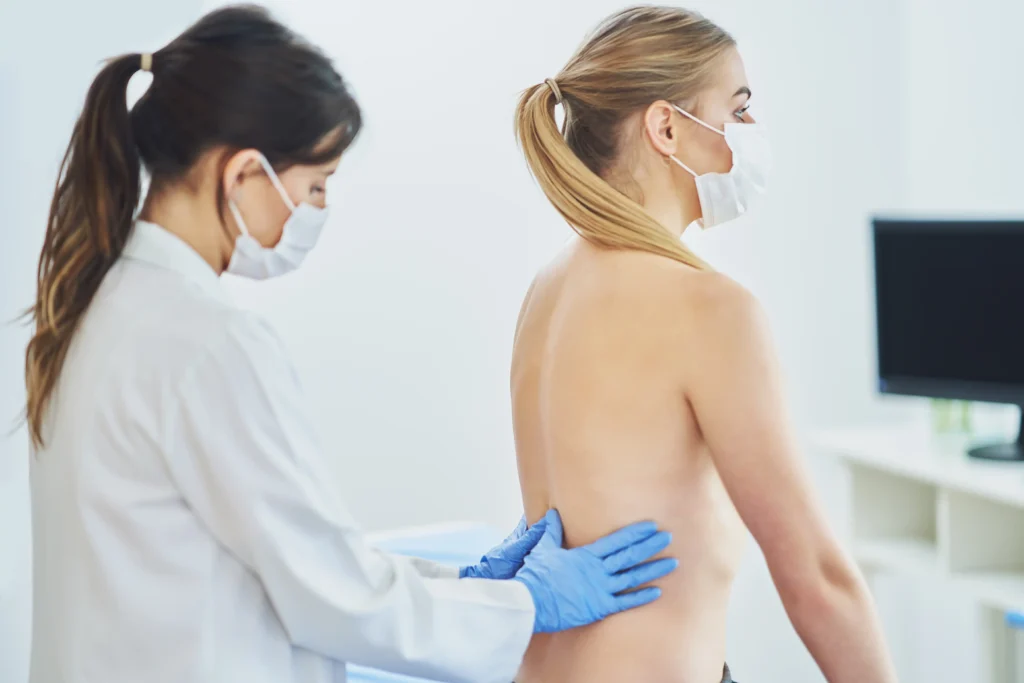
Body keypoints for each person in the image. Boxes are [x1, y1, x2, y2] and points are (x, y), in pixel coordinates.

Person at [22, 6, 681, 683]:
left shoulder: (98, 310)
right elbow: (332, 598)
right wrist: (521, 603)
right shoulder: (205, 343)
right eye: (315, 186)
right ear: (242, 173)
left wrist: (469, 583)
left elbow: (288, 562)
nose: (317, 211)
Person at [510, 6, 899, 683]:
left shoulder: (545, 291)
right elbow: (815, 575)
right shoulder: (709, 309)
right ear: (666, 127)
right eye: (738, 109)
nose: (750, 132)